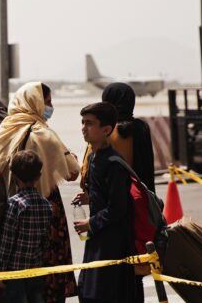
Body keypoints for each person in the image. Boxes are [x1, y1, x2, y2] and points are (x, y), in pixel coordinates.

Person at [0, 82, 80, 303]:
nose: (50, 106)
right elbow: (72, 172)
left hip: (10, 207)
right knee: (46, 267)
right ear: (36, 103)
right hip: (45, 208)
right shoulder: (42, 133)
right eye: (48, 102)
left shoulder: (2, 131)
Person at [74, 102, 137, 303]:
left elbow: (118, 208)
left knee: (103, 292)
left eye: (90, 123)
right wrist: (90, 197)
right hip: (97, 236)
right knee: (89, 290)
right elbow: (106, 194)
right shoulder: (93, 157)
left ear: (107, 129)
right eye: (83, 122)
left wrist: (90, 223)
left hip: (112, 241)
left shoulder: (113, 163)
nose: (84, 128)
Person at [0, 150, 52, 303]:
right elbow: (45, 241)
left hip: (15, 274)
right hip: (36, 270)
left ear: (14, 176)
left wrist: (1, 272)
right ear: (39, 176)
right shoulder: (46, 204)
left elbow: (6, 243)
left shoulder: (14, 204)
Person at [81, 82, 156, 193]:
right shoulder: (141, 127)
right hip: (140, 197)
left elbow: (86, 176)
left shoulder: (104, 131)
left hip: (111, 199)